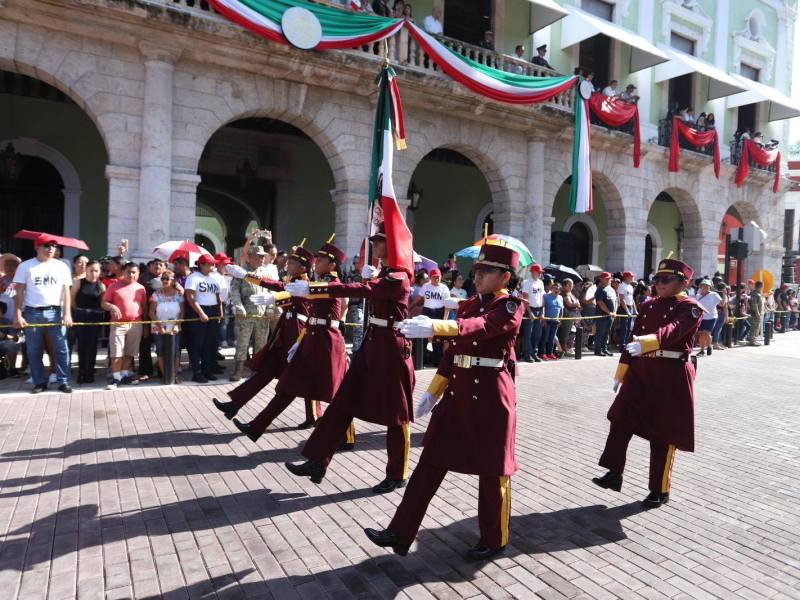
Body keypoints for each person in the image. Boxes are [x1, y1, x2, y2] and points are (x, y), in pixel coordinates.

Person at [364, 242, 523, 560]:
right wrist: (433, 392)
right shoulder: (467, 306)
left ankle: (494, 539)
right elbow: (453, 354)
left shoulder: (510, 306)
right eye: (476, 269)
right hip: (458, 396)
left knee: (492, 473)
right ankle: (400, 531)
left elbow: (484, 328)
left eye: (486, 270)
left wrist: (437, 325)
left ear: (505, 277)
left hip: (492, 397)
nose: (477, 275)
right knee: (430, 463)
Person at [284, 225, 416, 495]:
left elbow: (361, 290)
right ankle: (318, 460)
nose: (374, 244)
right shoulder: (387, 274)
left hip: (391, 347)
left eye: (379, 240)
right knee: (343, 401)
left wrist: (316, 288)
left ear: (391, 246)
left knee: (397, 414)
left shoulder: (399, 277)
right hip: (372, 342)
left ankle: (398, 473)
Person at [592, 258, 703, 509]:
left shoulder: (690, 307)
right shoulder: (648, 305)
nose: (659, 284)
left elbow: (674, 330)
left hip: (671, 374)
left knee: (663, 433)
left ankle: (659, 488)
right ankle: (614, 472)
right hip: (642, 370)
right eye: (657, 279)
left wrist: (648, 342)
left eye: (666, 280)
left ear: (682, 283)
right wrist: (622, 370)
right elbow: (633, 338)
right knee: (620, 417)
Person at [229, 241, 349, 440]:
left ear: (332, 264)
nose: (316, 261)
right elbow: (283, 287)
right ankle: (256, 427)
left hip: (327, 343)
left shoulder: (330, 284)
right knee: (287, 387)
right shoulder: (316, 282)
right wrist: (247, 276)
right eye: (316, 258)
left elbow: (295, 294)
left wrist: (275, 298)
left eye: (321, 259)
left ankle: (347, 436)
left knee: (337, 393)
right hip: (311, 339)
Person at [212, 245, 314, 423]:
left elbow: (281, 288)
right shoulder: (293, 278)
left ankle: (312, 415)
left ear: (303, 267)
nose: (288, 264)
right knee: (266, 371)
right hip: (286, 332)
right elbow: (280, 288)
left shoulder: (304, 282)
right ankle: (235, 404)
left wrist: (272, 298)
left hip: (297, 334)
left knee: (303, 377)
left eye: (293, 262)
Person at [13, 235, 74, 394]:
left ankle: (63, 381)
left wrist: (67, 313)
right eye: (47, 246)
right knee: (34, 350)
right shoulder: (26, 266)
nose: (51, 249)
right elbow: (19, 292)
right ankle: (39, 382)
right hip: (32, 312)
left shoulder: (62, 266)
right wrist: (17, 315)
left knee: (62, 348)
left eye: (53, 246)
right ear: (37, 247)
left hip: (55, 312)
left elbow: (67, 291)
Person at [229, 245, 272, 382]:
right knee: (243, 343)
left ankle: (257, 370)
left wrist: (270, 309)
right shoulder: (241, 273)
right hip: (246, 315)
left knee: (261, 344)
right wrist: (239, 306)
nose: (262, 258)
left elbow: (270, 292)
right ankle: (239, 370)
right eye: (259, 256)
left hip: (262, 314)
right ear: (251, 257)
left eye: (263, 256)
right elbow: (234, 291)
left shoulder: (265, 274)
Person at [102, 262, 147, 389]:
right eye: (129, 271)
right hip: (118, 324)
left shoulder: (141, 288)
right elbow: (104, 303)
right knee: (116, 353)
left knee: (129, 353)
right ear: (124, 272)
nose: (131, 274)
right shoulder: (114, 286)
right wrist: (111, 306)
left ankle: (124, 375)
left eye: (134, 272)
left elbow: (144, 306)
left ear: (138, 274)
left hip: (136, 323)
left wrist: (146, 327)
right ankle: (115, 379)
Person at [184, 254, 223, 383]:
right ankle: (197, 372)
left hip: (212, 311)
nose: (212, 266)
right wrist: (201, 313)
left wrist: (219, 312)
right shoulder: (193, 277)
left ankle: (207, 370)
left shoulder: (213, 279)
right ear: (201, 264)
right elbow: (191, 298)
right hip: (198, 311)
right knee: (197, 343)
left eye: (213, 264)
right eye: (209, 264)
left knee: (209, 343)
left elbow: (218, 297)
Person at [71, 260, 106, 384]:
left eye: (96, 271)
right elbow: (72, 300)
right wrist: (79, 312)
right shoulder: (79, 283)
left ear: (100, 272)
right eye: (91, 270)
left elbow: (103, 303)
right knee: (82, 346)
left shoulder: (101, 286)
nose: (93, 273)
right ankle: (81, 372)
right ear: (86, 270)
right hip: (81, 315)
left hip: (95, 317)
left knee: (92, 346)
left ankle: (90, 372)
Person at [149, 269, 184, 384]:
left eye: (167, 278)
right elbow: (151, 312)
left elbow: (182, 312)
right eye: (162, 278)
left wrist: (177, 325)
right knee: (161, 351)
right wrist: (160, 327)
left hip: (174, 327)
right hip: (159, 327)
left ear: (173, 280)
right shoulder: (156, 294)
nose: (164, 281)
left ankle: (174, 375)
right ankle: (166, 375)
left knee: (176, 351)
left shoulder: (179, 294)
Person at [410, 267, 450, 366]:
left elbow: (447, 305)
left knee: (437, 337)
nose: (437, 279)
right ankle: (422, 360)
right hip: (427, 311)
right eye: (435, 277)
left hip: (438, 312)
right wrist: (410, 306)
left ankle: (437, 362)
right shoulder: (426, 286)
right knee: (424, 336)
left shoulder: (444, 288)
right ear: (431, 278)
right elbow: (419, 298)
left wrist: (445, 319)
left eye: (438, 277)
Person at [520, 264, 545, 362]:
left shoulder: (541, 283)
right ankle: (527, 355)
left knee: (537, 334)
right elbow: (525, 298)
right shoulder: (527, 283)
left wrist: (542, 312)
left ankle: (534, 353)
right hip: (530, 309)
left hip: (539, 309)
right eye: (539, 272)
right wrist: (529, 312)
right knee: (528, 334)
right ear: (533, 272)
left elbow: (542, 298)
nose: (540, 274)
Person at [694, 279, 720, 356]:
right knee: (702, 334)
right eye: (703, 285)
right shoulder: (697, 296)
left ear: (710, 287)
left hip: (712, 317)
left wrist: (724, 295)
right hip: (701, 317)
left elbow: (722, 304)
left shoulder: (714, 294)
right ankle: (702, 350)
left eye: (707, 286)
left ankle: (709, 346)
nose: (705, 287)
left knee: (706, 333)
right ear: (700, 286)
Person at [594, 272, 617, 356]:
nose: (608, 280)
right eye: (606, 279)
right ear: (601, 279)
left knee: (606, 333)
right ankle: (598, 350)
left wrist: (614, 312)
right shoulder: (600, 290)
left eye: (609, 279)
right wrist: (610, 312)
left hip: (610, 316)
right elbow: (600, 303)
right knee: (600, 333)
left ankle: (604, 349)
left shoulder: (611, 289)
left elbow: (616, 301)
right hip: (602, 315)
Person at [560, 278, 581, 356]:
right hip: (568, 317)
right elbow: (569, 304)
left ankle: (570, 347)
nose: (572, 286)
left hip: (575, 317)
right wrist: (576, 304)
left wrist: (577, 304)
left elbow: (577, 302)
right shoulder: (564, 293)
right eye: (570, 284)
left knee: (573, 334)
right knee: (568, 333)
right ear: (565, 286)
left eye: (572, 284)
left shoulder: (571, 293)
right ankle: (565, 348)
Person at [542, 282, 563, 360]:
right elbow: (543, 307)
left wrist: (560, 319)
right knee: (545, 337)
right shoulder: (546, 296)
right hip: (547, 320)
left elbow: (561, 310)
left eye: (558, 289)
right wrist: (543, 318)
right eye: (555, 288)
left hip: (556, 321)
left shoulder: (560, 298)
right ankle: (542, 353)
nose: (556, 290)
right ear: (551, 289)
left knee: (552, 338)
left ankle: (550, 353)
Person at [0, 303, 21, 377]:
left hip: (2, 344)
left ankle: (12, 369)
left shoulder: (7, 322)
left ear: (3, 312)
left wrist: (4, 336)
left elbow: (15, 338)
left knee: (11, 345)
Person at [617, 271, 636, 347]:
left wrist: (635, 310)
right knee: (624, 328)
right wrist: (627, 311)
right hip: (624, 308)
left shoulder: (630, 286)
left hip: (630, 307)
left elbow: (632, 299)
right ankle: (622, 345)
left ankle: (627, 343)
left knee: (629, 328)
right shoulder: (622, 286)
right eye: (631, 277)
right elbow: (622, 299)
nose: (632, 278)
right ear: (627, 277)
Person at [748, 280, 764, 346]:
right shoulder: (755, 294)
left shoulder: (757, 293)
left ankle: (754, 340)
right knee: (754, 327)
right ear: (761, 286)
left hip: (757, 313)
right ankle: (752, 341)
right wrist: (757, 314)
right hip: (755, 314)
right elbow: (754, 305)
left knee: (756, 327)